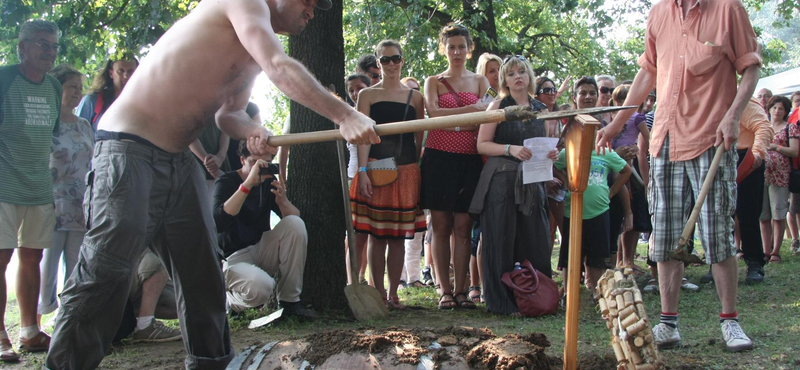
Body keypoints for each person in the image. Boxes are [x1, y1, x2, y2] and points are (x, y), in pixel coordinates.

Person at [45, 0, 378, 367]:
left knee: (203, 276)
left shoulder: (251, 50)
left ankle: (212, 364)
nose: (312, 11)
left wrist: (253, 130)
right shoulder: (244, 3)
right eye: (308, 1)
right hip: (128, 148)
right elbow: (279, 67)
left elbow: (229, 114)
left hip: (178, 161)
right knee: (106, 270)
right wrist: (344, 114)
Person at [596, 0, 762, 352]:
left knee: (716, 234)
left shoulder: (728, 9)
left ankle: (730, 321)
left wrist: (734, 116)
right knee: (666, 234)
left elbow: (750, 68)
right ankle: (668, 323)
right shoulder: (659, 13)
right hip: (665, 140)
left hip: (711, 137)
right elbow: (647, 73)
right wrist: (615, 123)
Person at [469, 55, 557, 315]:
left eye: (522, 72)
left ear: (529, 76)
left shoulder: (541, 107)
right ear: (505, 80)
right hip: (501, 180)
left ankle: (540, 300)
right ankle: (502, 303)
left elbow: (546, 143)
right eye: (511, 73)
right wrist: (510, 148)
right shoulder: (497, 105)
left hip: (533, 180)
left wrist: (552, 154)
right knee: (500, 240)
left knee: (537, 239)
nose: (517, 76)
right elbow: (482, 145)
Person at [0, 20, 62, 362]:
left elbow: (47, 137)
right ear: (22, 47)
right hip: (3, 184)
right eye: (42, 44)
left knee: (32, 257)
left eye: (53, 46)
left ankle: (29, 331)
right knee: (0, 258)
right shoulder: (5, 78)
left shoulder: (53, 86)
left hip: (38, 186)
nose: (49, 52)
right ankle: (0, 337)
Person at [351, 40, 426, 308]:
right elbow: (363, 139)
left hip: (407, 171)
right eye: (385, 60)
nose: (391, 64)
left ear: (402, 60)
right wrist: (362, 171)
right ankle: (378, 292)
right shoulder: (367, 95)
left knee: (397, 236)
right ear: (378, 63)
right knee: (376, 234)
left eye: (396, 59)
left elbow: (419, 139)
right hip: (375, 169)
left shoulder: (416, 97)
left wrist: (415, 169)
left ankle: (394, 294)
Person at [421, 23, 489, 310]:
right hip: (438, 156)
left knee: (463, 225)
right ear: (443, 49)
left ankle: (462, 291)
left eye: (462, 46)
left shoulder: (481, 81)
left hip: (470, 158)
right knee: (440, 224)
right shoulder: (433, 80)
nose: (457, 52)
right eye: (451, 47)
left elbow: (489, 111)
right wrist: (470, 111)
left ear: (469, 49)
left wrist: (470, 113)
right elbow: (433, 112)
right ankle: (444, 291)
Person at [214, 142, 308, 314]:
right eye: (255, 163)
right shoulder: (226, 181)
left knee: (295, 224)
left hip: (260, 248)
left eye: (265, 164)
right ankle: (231, 302)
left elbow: (294, 218)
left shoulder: (268, 182)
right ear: (242, 160)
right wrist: (247, 185)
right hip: (232, 257)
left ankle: (290, 302)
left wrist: (283, 201)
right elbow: (218, 222)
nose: (259, 170)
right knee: (264, 289)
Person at [37, 65, 93, 329]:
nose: (77, 93)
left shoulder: (83, 125)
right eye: (72, 87)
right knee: (45, 268)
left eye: (80, 89)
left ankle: (68, 322)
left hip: (81, 207)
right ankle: (33, 324)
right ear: (56, 88)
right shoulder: (46, 123)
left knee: (76, 267)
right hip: (52, 206)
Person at [733, 98, 772, 283]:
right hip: (719, 156)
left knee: (748, 214)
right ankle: (717, 263)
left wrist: (758, 154)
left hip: (746, 158)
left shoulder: (744, 101)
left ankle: (755, 262)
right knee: (718, 215)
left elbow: (764, 127)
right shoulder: (710, 100)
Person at [759, 95, 796, 264]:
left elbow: (795, 151)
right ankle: (766, 250)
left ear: (786, 111)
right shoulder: (763, 127)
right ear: (769, 109)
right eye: (774, 107)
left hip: (780, 176)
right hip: (761, 175)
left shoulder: (791, 128)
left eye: (781, 108)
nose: (777, 111)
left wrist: (776, 147)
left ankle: (776, 251)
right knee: (763, 215)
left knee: (778, 213)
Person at [344, 73, 372, 286]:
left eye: (360, 87)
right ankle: (353, 280)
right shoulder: (346, 115)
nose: (355, 93)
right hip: (353, 175)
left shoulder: (372, 110)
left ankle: (363, 278)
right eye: (351, 89)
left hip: (373, 175)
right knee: (356, 234)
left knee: (370, 232)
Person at [535, 76, 567, 253]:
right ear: (537, 95)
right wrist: (547, 177)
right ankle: (542, 272)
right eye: (547, 90)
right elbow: (537, 151)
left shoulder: (558, 117)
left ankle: (570, 270)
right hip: (542, 177)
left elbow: (560, 147)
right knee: (545, 228)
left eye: (554, 89)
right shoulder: (535, 117)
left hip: (559, 176)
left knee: (562, 226)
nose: (552, 93)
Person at [76, 54, 138, 129]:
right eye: (121, 71)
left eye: (130, 71)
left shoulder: (143, 104)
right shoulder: (92, 101)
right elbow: (76, 132)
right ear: (111, 74)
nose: (126, 76)